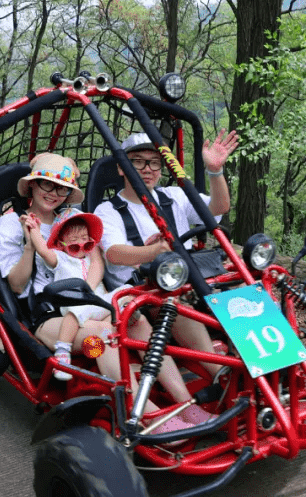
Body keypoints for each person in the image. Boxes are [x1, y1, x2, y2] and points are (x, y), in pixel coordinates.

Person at [0, 153, 201, 431]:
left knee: (135, 316)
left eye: (62, 188)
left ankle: (188, 404)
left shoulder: (75, 218)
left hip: (89, 300)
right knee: (102, 336)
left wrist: (86, 296)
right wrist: (32, 245)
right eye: (46, 184)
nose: (54, 193)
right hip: (49, 313)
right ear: (31, 185)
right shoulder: (12, 223)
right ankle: (150, 416)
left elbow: (96, 262)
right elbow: (17, 285)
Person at [95, 129, 239, 375]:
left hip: (191, 277)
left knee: (242, 288)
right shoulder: (107, 210)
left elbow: (219, 207)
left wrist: (215, 171)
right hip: (144, 289)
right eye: (138, 161)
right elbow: (114, 253)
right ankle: (219, 373)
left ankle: (266, 363)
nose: (147, 168)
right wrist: (154, 251)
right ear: (122, 168)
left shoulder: (174, 196)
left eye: (154, 162)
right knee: (173, 302)